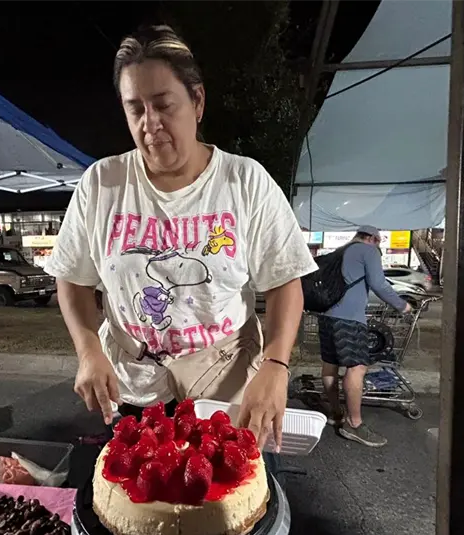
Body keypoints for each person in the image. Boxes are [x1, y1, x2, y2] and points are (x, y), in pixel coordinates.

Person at [44, 25, 317, 450]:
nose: (150, 124)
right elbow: (73, 278)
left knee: (232, 488)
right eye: (135, 109)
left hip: (225, 387)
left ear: (198, 101)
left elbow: (284, 282)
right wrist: (88, 349)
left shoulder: (245, 181)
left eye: (163, 105)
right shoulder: (102, 184)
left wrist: (276, 364)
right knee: (143, 487)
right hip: (133, 386)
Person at [318, 225, 411, 448]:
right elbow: (379, 284)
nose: (378, 246)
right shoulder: (367, 251)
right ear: (372, 238)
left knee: (330, 366)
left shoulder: (339, 251)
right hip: (349, 319)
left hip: (325, 316)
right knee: (357, 368)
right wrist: (403, 305)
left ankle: (336, 414)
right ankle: (354, 424)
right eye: (378, 241)